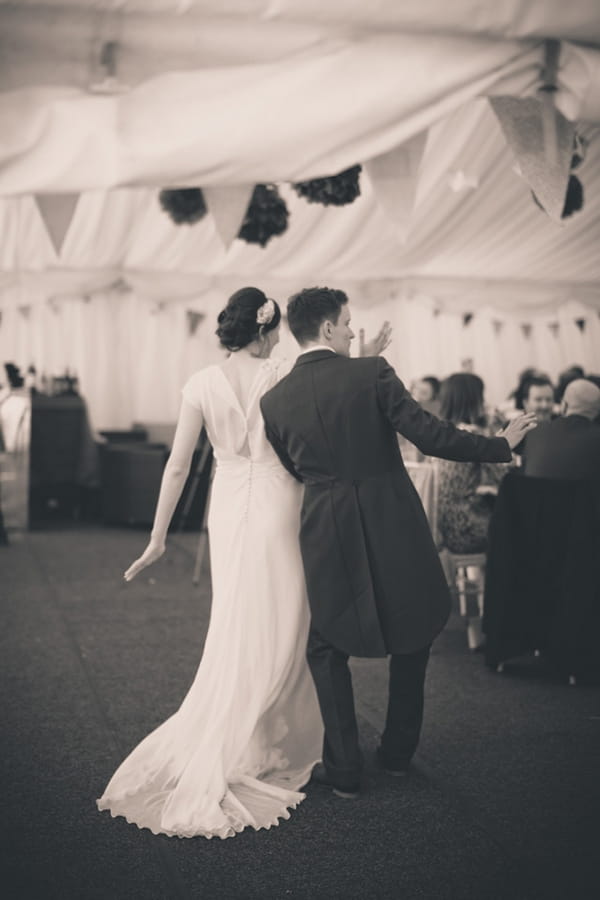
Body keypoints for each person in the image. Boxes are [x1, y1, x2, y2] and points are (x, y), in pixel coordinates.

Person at [259, 287, 536, 799]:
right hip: (392, 516)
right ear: (326, 329)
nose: (350, 330)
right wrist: (500, 444)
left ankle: (343, 768)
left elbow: (293, 466)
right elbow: (428, 434)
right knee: (415, 630)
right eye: (345, 322)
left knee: (325, 644)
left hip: (325, 524)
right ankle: (396, 755)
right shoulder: (373, 372)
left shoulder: (272, 400)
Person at [97, 287, 331, 839]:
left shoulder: (202, 382)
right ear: (268, 327)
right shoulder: (282, 374)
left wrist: (157, 537)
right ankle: (276, 738)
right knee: (287, 622)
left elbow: (177, 467)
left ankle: (246, 729)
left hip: (226, 510)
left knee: (235, 619)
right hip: (279, 505)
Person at [437, 373, 513, 554]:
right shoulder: (472, 436)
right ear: (473, 400)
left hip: (444, 525)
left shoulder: (442, 432)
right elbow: (502, 477)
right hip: (468, 527)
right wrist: (496, 433)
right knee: (524, 528)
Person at [521, 378, 600, 480]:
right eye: (538, 400)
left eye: (549, 399)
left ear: (563, 406)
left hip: (540, 494)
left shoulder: (533, 435)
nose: (544, 405)